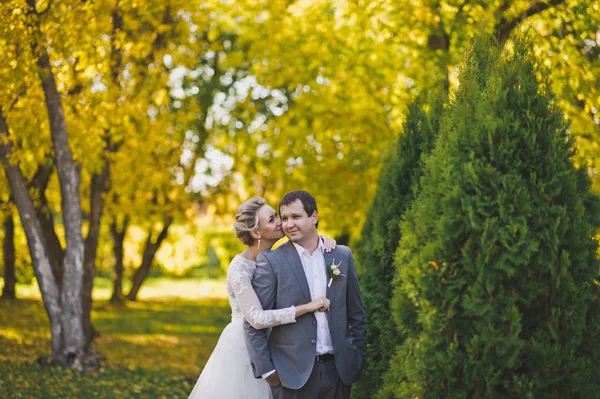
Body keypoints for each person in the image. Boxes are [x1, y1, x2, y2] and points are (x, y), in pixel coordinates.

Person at [188, 197, 336, 399]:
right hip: (244, 349)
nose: (280, 223)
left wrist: (323, 241)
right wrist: (307, 307)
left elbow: (307, 243)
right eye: (272, 219)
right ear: (257, 232)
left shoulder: (277, 258)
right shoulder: (240, 268)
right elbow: (257, 319)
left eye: (277, 217)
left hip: (278, 348)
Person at [244, 190, 367, 399]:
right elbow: (254, 322)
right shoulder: (271, 261)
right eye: (284, 218)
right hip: (291, 377)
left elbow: (356, 314)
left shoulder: (341, 255)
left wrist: (357, 357)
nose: (288, 224)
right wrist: (269, 373)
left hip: (339, 373)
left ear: (314, 217)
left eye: (296, 217)